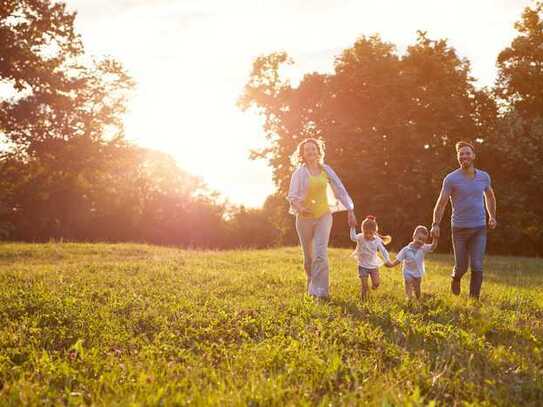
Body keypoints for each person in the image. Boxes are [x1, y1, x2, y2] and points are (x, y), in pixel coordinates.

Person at [287, 138, 357, 298]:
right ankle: (311, 281)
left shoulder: (326, 170)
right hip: (304, 218)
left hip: (324, 215)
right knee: (309, 257)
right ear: (302, 154)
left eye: (313, 149)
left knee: (320, 253)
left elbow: (340, 190)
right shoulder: (299, 173)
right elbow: (292, 196)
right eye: (307, 150)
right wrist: (301, 208)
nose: (311, 152)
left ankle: (321, 291)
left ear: (318, 152)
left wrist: (350, 210)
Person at [430, 141, 497, 299]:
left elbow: (490, 197)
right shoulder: (451, 179)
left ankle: (474, 299)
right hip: (459, 229)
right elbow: (441, 203)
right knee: (461, 267)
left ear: (473, 156)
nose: (464, 156)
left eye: (467, 153)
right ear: (458, 158)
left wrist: (492, 216)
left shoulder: (484, 177)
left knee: (477, 265)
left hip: (479, 228)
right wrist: (435, 224)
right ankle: (456, 277)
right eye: (461, 154)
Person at [350, 215, 393, 300]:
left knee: (376, 283)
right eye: (366, 233)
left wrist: (387, 260)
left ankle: (373, 287)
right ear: (363, 230)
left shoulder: (377, 240)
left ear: (374, 232)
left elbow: (383, 251)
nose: (368, 235)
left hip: (373, 266)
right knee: (364, 286)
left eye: (371, 233)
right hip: (362, 265)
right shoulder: (360, 237)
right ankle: (364, 300)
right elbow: (353, 237)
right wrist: (352, 227)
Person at [389, 225, 438, 300]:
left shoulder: (423, 248)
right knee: (408, 283)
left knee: (417, 288)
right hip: (407, 271)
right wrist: (391, 264)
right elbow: (399, 259)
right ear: (414, 236)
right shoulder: (406, 249)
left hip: (418, 273)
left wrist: (435, 238)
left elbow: (433, 247)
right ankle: (409, 299)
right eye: (419, 238)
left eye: (423, 240)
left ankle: (418, 298)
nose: (421, 241)